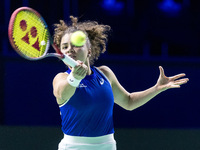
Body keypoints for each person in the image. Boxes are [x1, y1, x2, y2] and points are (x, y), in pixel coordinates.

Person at [52, 16, 189, 150]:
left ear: (89, 51)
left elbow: (129, 102)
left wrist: (157, 88)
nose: (69, 49)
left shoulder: (105, 74)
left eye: (76, 45)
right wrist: (75, 78)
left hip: (107, 145)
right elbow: (62, 94)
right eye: (65, 47)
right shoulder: (61, 78)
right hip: (74, 147)